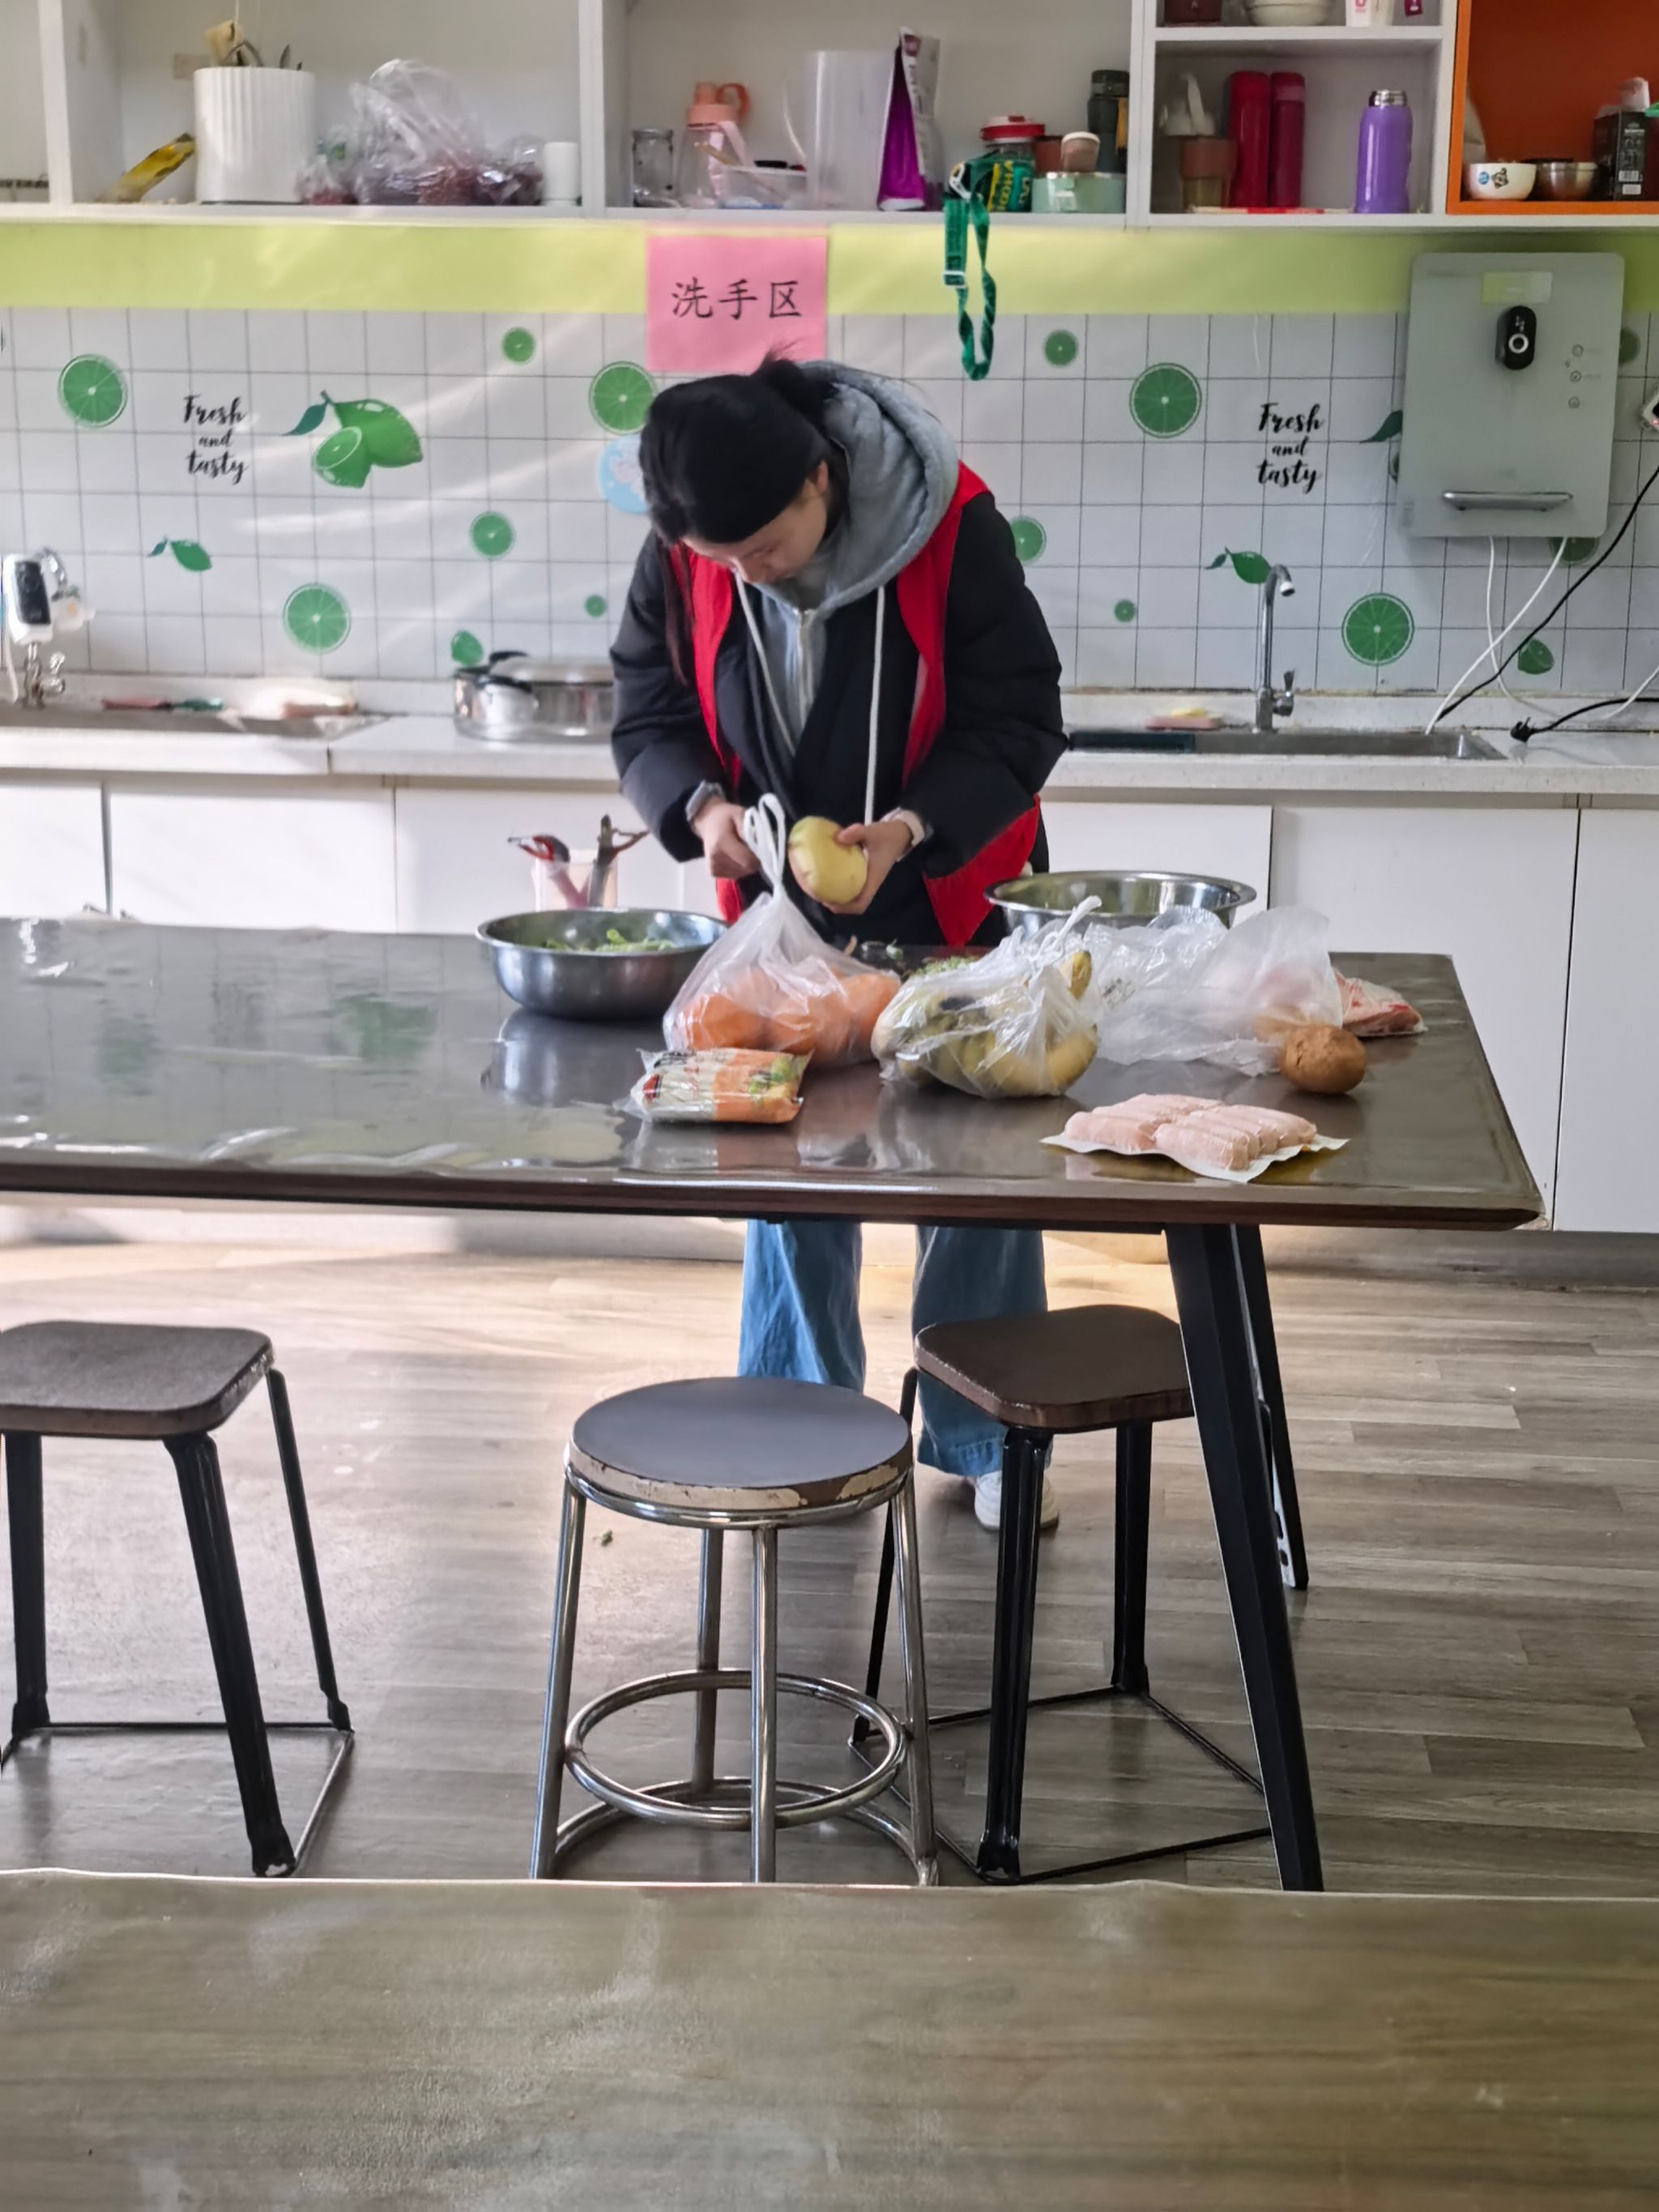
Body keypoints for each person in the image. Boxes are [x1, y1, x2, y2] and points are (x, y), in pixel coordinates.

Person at [611, 357, 1068, 1531]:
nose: (746, 574)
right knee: (789, 1165)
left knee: (970, 1171)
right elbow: (647, 703)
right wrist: (699, 810)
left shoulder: (952, 526)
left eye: (764, 548)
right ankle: (801, 1426)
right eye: (722, 560)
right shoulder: (692, 546)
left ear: (822, 478)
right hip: (786, 918)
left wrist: (909, 829)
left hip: (946, 888)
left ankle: (988, 1436)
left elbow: (1019, 713)